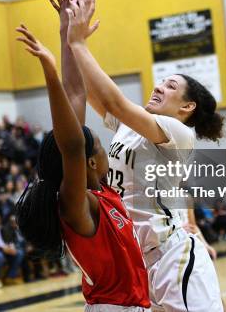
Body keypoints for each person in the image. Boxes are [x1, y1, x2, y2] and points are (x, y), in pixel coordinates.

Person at [54, 0, 224, 311]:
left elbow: (116, 103)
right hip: (134, 261)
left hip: (172, 257)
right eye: (160, 81)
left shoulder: (178, 133)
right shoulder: (130, 127)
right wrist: (70, 32)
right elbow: (86, 91)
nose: (159, 87)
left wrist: (80, 42)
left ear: (186, 107)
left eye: (170, 85)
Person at [15, 25, 150, 310]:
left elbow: (77, 94)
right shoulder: (76, 205)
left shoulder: (100, 192)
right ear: (89, 161)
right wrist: (50, 73)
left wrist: (68, 31)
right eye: (101, 146)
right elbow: (73, 145)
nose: (106, 151)